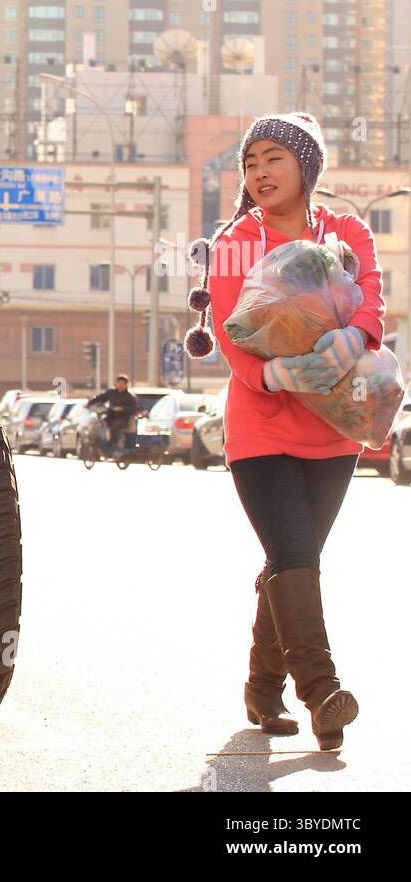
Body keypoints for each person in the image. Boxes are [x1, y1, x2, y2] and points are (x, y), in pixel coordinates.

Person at [184, 112, 382, 751]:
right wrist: (271, 377)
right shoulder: (237, 239)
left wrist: (359, 332)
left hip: (337, 423)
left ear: (306, 165)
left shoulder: (348, 229)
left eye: (273, 158)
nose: (259, 172)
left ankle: (261, 688)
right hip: (262, 423)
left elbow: (370, 291)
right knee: (296, 556)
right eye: (249, 163)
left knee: (288, 560)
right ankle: (322, 691)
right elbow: (230, 328)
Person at [88, 375, 139, 455]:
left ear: (126, 385)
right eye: (119, 383)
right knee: (99, 424)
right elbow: (100, 398)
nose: (120, 385)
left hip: (123, 419)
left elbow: (134, 409)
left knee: (115, 426)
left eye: (122, 384)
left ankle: (112, 445)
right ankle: (98, 443)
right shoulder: (111, 392)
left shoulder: (130, 397)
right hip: (110, 417)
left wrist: (122, 409)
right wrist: (89, 403)